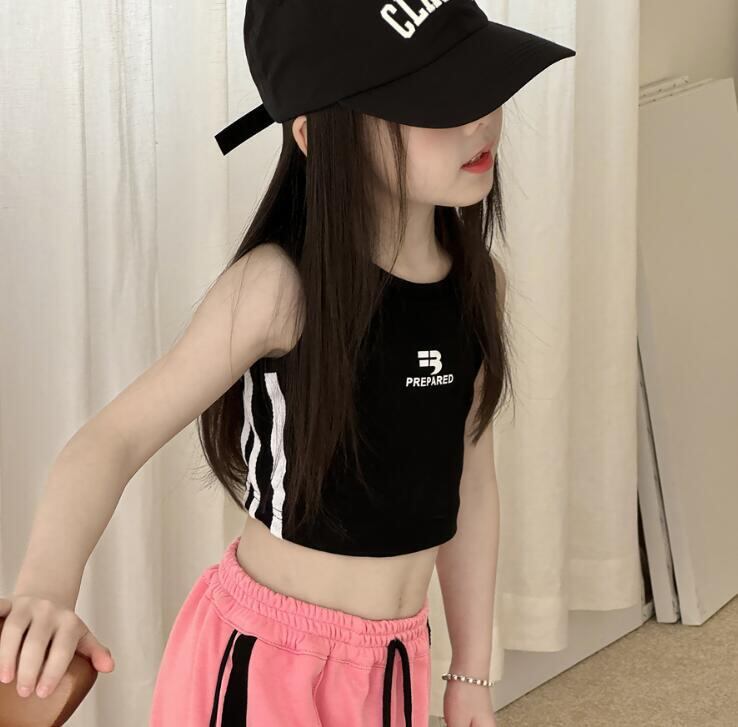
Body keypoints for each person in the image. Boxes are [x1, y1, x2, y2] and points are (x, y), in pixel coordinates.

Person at [0, 1, 575, 725]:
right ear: (316, 133)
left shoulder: (475, 285)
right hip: (267, 664)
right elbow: (111, 439)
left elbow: (470, 482)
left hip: (395, 663)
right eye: (436, 101)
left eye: (481, 85)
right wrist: (45, 588)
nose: (479, 121)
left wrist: (471, 669)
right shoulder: (278, 289)